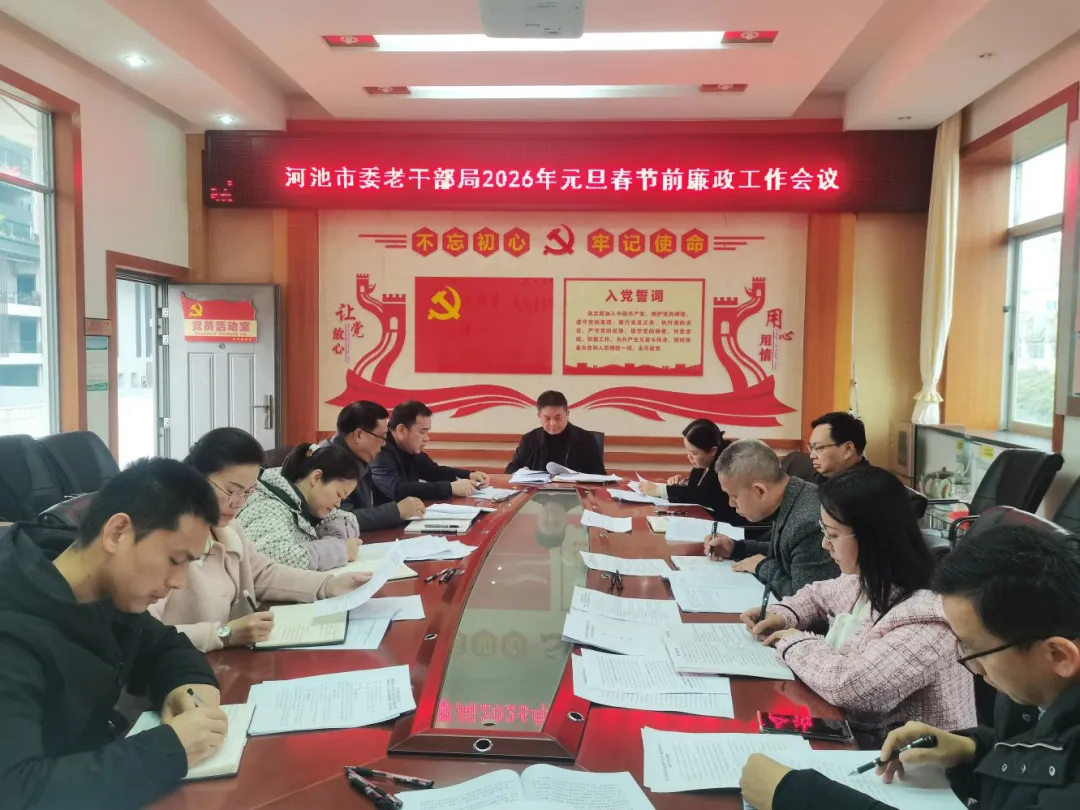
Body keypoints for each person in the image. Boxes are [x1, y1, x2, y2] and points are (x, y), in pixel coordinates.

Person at [741, 523, 1080, 810]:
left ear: (1059, 656)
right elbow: (1026, 748)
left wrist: (798, 797)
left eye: (975, 650)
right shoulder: (1034, 688)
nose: (972, 668)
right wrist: (970, 748)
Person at [0, 458, 229, 809]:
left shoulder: (102, 586)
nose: (179, 582)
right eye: (175, 560)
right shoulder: (13, 630)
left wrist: (189, 687)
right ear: (117, 532)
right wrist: (170, 749)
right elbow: (18, 792)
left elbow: (166, 645)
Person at [739, 467, 975, 743]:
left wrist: (793, 642)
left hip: (909, 760)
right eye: (824, 531)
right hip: (855, 735)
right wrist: (783, 615)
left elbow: (851, 687)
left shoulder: (930, 616)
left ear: (872, 536)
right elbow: (817, 595)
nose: (825, 544)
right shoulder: (871, 580)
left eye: (833, 534)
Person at [150, 428, 375, 651]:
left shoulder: (228, 528)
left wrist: (329, 585)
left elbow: (262, 573)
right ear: (197, 478)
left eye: (248, 493)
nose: (239, 503)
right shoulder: (163, 541)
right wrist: (224, 634)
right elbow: (144, 635)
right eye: (232, 490)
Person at [705, 439, 838, 597]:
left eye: (734, 496)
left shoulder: (808, 522)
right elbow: (786, 552)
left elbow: (805, 599)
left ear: (760, 491)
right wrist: (736, 548)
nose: (731, 503)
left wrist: (763, 567)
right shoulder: (792, 495)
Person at [238, 443, 362, 571]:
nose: (338, 504)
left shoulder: (302, 503)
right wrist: (339, 551)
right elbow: (273, 558)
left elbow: (346, 519)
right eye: (338, 494)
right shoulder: (269, 507)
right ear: (316, 477)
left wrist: (331, 542)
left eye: (342, 499)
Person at [319, 400, 425, 529]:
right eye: (382, 437)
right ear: (359, 435)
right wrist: (396, 511)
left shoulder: (357, 454)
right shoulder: (330, 461)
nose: (384, 443)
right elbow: (339, 519)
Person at [637, 418, 748, 527]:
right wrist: (682, 483)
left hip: (731, 527)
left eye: (694, 453)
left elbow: (701, 495)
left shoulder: (725, 466)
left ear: (712, 451)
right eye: (687, 451)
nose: (689, 457)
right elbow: (694, 489)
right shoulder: (703, 465)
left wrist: (659, 490)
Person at [371, 401, 488, 501]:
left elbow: (434, 471)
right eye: (422, 432)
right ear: (401, 430)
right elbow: (397, 489)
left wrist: (469, 475)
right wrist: (450, 488)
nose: (427, 438)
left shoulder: (409, 448)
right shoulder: (379, 449)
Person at [505, 390, 605, 475]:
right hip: (537, 491)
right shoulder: (529, 439)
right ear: (539, 416)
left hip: (575, 491)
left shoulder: (586, 439)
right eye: (547, 418)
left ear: (567, 414)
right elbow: (510, 471)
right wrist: (521, 473)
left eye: (558, 418)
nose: (553, 423)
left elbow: (600, 476)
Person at [808, 411, 869, 485]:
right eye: (811, 447)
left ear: (848, 449)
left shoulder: (866, 486)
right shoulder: (822, 477)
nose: (812, 456)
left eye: (818, 448)